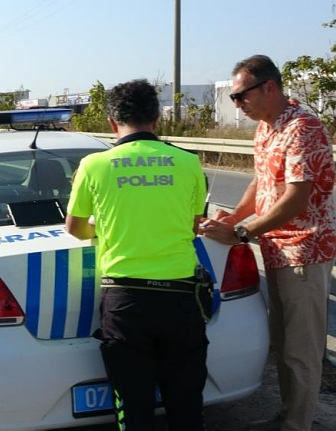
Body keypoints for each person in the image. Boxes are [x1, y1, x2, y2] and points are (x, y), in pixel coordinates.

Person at [200, 55, 336, 431]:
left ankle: (298, 424)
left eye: (240, 95)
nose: (237, 103)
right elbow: (261, 182)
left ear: (269, 88)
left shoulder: (303, 128)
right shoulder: (266, 128)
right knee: (282, 344)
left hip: (303, 253)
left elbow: (296, 198)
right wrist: (234, 217)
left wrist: (242, 233)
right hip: (276, 250)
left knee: (301, 351)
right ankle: (287, 416)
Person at [66, 79, 208, 430]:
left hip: (125, 301)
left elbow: (75, 226)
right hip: (181, 299)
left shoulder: (94, 165)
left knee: (133, 406)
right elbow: (193, 225)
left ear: (113, 122)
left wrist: (105, 231)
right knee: (186, 405)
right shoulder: (189, 162)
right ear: (156, 118)